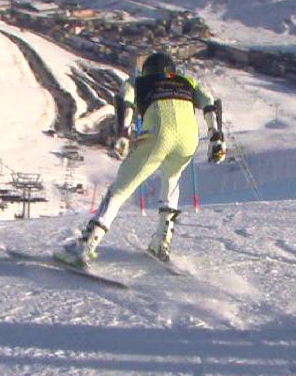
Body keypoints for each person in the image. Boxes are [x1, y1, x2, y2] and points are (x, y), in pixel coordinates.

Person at [55, 51, 227, 268]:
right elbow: (210, 103)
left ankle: (86, 244)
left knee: (120, 191)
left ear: (147, 70)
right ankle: (161, 243)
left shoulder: (139, 81)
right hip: (188, 139)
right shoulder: (188, 82)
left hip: (157, 135)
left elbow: (124, 100)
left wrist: (123, 133)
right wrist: (216, 138)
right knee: (172, 180)